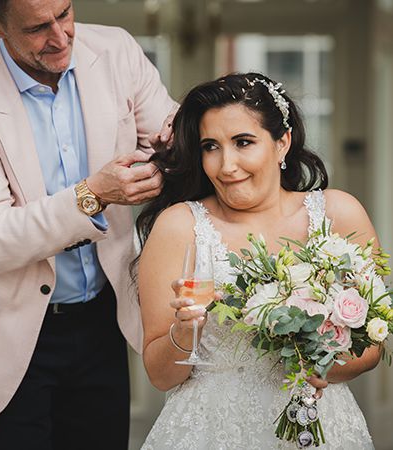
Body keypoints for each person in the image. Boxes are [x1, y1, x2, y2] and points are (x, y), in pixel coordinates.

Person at [0, 0, 176, 449]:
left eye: (64, 14)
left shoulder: (117, 51)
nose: (60, 36)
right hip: (5, 329)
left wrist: (168, 157)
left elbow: (170, 137)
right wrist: (95, 194)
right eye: (37, 28)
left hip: (102, 318)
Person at [137, 73, 380, 449]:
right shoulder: (179, 226)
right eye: (210, 146)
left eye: (243, 142)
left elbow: (372, 347)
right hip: (210, 432)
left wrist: (319, 364)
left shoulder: (339, 214)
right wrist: (185, 332)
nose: (226, 165)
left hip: (316, 424)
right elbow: (159, 375)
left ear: (282, 143)